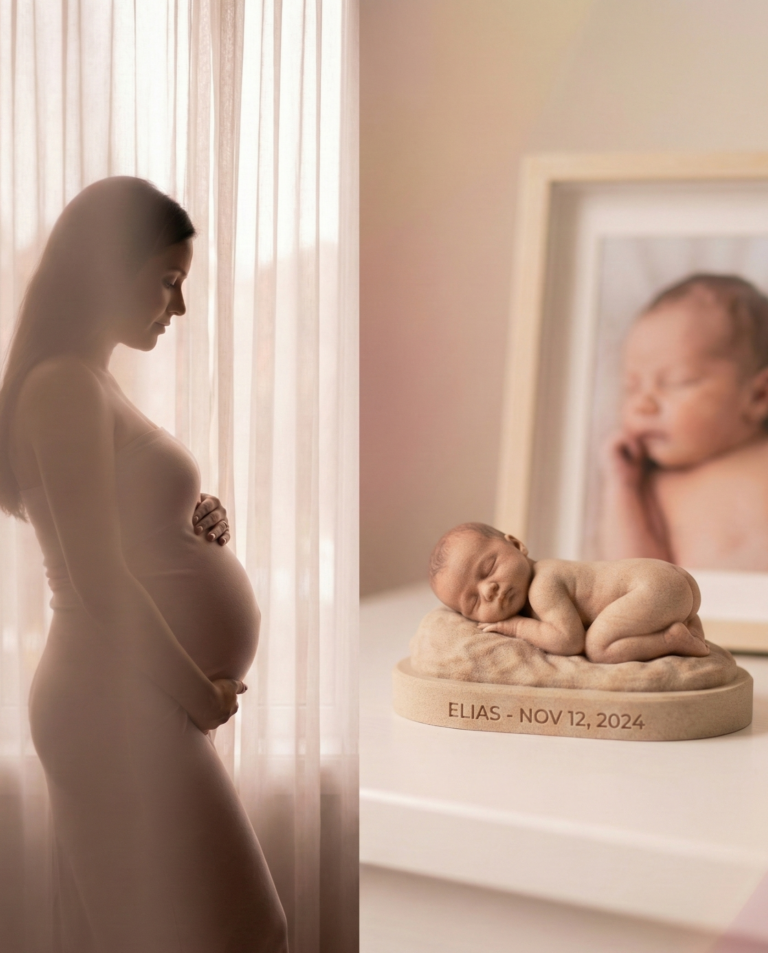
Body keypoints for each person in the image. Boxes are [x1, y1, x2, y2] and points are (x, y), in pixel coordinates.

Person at [0, 177, 287, 952]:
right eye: (167, 281)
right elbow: (92, 576)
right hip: (115, 700)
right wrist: (200, 693)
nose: (178, 308)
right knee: (239, 935)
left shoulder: (84, 382)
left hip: (131, 697)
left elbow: (109, 530)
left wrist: (189, 523)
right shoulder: (61, 386)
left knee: (209, 936)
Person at [599, 273, 768, 571]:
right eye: (632, 387)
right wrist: (621, 486)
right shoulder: (654, 489)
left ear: (758, 395)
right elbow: (632, 577)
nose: (643, 403)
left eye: (677, 381)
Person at [429, 522, 709, 663]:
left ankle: (671, 638)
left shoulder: (543, 584)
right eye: (474, 601)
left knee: (599, 648)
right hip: (670, 581)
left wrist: (513, 627)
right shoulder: (541, 579)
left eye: (489, 567)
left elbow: (569, 640)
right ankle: (687, 625)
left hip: (652, 587)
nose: (488, 590)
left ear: (516, 545)